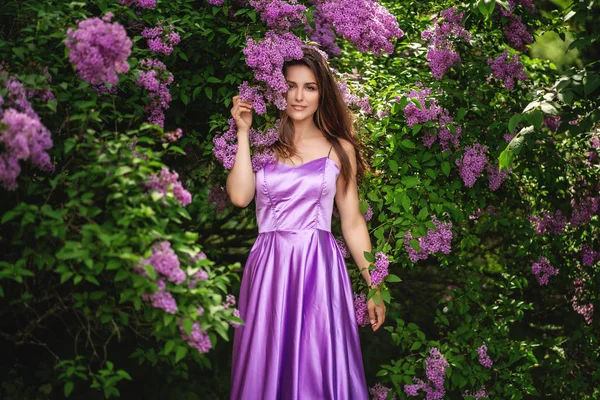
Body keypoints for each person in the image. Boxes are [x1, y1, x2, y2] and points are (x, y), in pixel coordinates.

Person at [227, 46, 385, 400]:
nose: (299, 96)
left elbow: (353, 221)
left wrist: (373, 284)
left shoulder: (338, 148)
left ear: (321, 93)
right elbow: (239, 197)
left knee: (318, 365)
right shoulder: (262, 144)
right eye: (291, 85)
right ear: (278, 89)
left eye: (310, 87)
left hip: (319, 267)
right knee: (267, 366)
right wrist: (242, 133)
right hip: (269, 267)